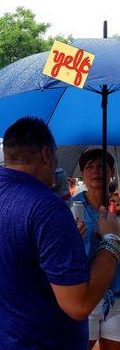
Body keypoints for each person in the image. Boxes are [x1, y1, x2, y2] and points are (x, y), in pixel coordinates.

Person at [0, 117, 119, 350]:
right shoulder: (47, 208)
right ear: (47, 154)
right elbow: (78, 305)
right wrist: (110, 239)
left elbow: (18, 259)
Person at [72, 149, 120, 350]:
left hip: (117, 298)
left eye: (102, 166)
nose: (96, 171)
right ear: (82, 173)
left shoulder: (117, 209)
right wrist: (72, 238)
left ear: (112, 173)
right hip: (85, 297)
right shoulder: (71, 208)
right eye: (89, 167)